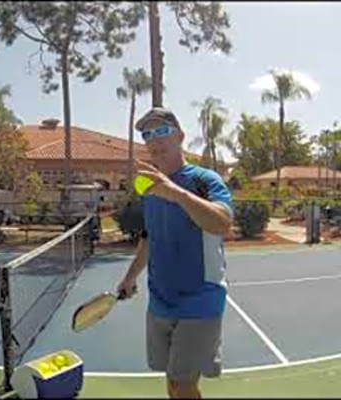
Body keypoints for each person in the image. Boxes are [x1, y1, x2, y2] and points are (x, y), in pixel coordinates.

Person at [117, 107, 234, 399]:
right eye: (147, 134)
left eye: (162, 131)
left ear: (180, 136)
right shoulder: (148, 187)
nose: (154, 140)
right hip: (160, 299)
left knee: (182, 385)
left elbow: (222, 223)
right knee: (173, 381)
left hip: (200, 298)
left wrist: (177, 194)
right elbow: (151, 235)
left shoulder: (205, 180)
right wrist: (130, 277)